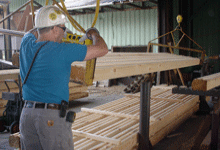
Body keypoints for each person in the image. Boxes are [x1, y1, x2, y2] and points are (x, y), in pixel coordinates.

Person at [19, 5, 108, 150]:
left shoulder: (26, 44)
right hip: (50, 119)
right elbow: (102, 49)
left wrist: (42, 23)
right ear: (54, 29)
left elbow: (31, 32)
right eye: (63, 29)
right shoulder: (63, 50)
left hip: (27, 116)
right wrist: (93, 34)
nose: (64, 34)